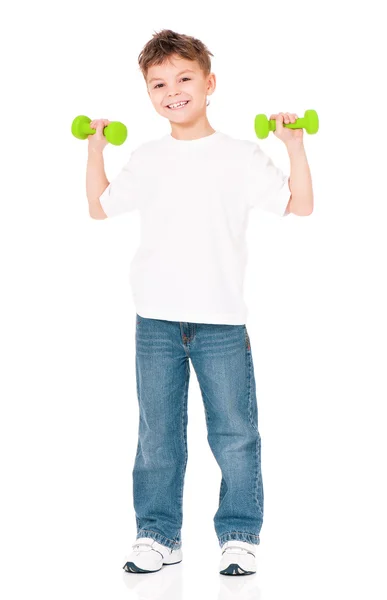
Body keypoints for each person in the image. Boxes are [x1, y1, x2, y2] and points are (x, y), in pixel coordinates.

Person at [85, 28, 314, 576]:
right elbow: (100, 208)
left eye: (184, 78)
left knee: (235, 432)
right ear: (148, 94)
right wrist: (96, 149)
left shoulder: (239, 155)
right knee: (157, 437)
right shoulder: (146, 157)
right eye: (158, 83)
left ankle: (239, 533)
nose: (173, 90)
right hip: (155, 320)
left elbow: (298, 206)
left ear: (209, 84)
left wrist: (295, 147)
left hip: (221, 323)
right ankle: (158, 534)